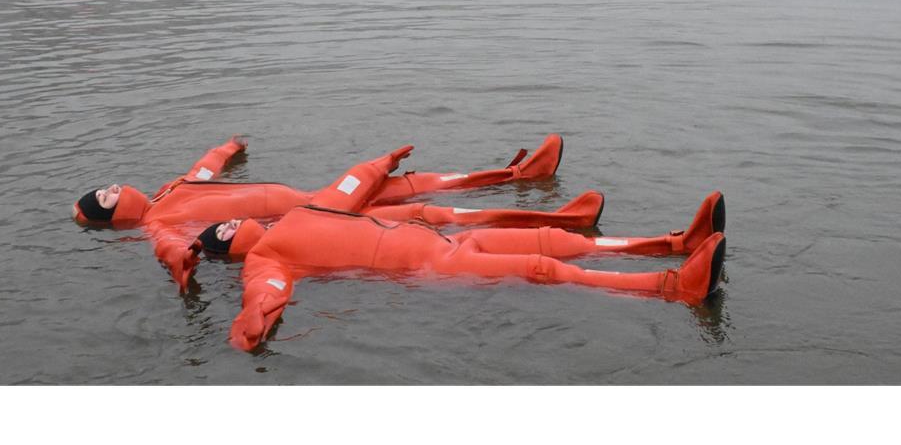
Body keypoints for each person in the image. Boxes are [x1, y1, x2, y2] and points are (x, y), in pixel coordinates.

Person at [193, 193, 727, 352]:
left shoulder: (295, 216)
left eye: (227, 222)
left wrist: (381, 166)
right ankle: (673, 288)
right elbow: (266, 294)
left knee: (555, 240)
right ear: (228, 252)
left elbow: (348, 191)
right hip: (431, 265)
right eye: (222, 233)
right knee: (541, 266)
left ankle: (674, 243)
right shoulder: (267, 260)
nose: (232, 225)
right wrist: (253, 323)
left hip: (439, 241)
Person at [73, 134, 600, 287]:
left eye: (105, 186)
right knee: (419, 213)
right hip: (314, 215)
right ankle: (550, 217)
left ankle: (515, 177)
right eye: (106, 198)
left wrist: (227, 150)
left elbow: (203, 170)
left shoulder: (170, 190)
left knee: (402, 184)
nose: (114, 188)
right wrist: (184, 267)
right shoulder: (159, 226)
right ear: (112, 219)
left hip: (315, 200)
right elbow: (168, 250)